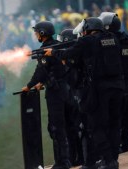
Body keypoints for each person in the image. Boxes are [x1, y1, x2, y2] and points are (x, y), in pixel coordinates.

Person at [45, 17, 124, 169]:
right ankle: (112, 159)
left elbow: (69, 54)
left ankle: (109, 160)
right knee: (114, 125)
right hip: (118, 86)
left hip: (100, 89)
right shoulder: (112, 38)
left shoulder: (86, 41)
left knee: (95, 126)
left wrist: (53, 52)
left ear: (89, 28)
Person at [22, 21, 72, 169]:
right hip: (66, 90)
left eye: (37, 32)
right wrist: (41, 82)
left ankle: (62, 163)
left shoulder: (46, 49)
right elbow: (54, 69)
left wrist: (29, 85)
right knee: (67, 126)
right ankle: (68, 159)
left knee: (57, 128)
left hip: (56, 93)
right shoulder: (57, 45)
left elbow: (41, 71)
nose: (36, 34)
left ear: (43, 33)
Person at [99, 12, 128, 162]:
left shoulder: (109, 42)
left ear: (107, 26)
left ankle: (111, 159)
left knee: (113, 121)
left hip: (115, 86)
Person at [58, 29, 84, 166]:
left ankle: (80, 158)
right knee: (73, 130)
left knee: (76, 129)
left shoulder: (73, 59)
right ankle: (76, 158)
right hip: (74, 97)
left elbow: (73, 80)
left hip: (76, 97)